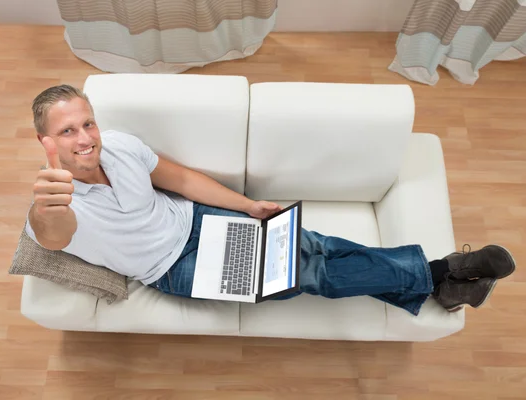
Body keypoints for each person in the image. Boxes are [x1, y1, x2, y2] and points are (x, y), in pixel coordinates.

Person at [26, 84, 516, 316]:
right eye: (67, 131)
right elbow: (52, 235)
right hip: (175, 266)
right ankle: (439, 274)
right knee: (307, 273)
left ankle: (449, 290)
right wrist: (47, 207)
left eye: (87, 123)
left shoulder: (121, 145)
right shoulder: (54, 210)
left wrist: (247, 206)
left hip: (196, 222)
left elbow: (183, 180)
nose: (85, 138)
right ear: (46, 142)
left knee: (310, 244)